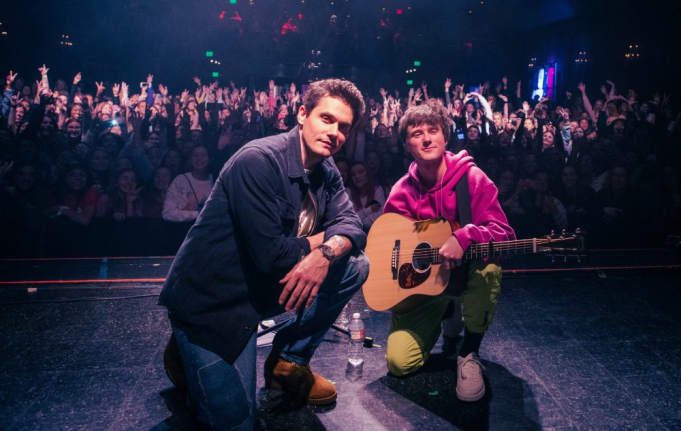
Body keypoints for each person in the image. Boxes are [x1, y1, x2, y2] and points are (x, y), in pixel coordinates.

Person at [158, 79, 369, 430]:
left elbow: (352, 224)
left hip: (260, 293)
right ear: (302, 114)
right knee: (238, 424)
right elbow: (271, 256)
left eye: (343, 127)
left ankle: (288, 360)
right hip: (213, 307)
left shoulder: (326, 169)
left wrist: (327, 253)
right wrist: (321, 242)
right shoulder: (257, 161)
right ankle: (187, 352)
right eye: (327, 119)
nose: (334, 132)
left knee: (354, 265)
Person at [383, 99, 515, 402]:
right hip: (424, 286)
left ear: (445, 137)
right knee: (399, 365)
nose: (427, 138)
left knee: (488, 264)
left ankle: (469, 351)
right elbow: (387, 241)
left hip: (464, 273)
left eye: (433, 130)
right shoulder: (402, 190)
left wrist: (467, 235)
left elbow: (504, 234)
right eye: (417, 133)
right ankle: (449, 309)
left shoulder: (472, 179)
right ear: (406, 145)